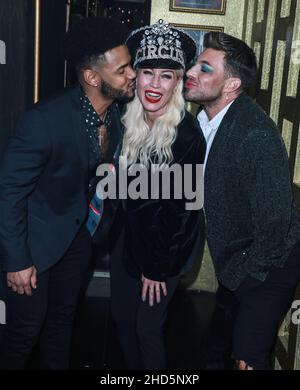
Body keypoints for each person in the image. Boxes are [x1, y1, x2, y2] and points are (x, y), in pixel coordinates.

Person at [0, 16, 136, 369]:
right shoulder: (44, 120)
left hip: (77, 239)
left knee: (63, 322)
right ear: (93, 77)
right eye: (122, 70)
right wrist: (17, 261)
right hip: (33, 243)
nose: (132, 74)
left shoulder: (119, 116)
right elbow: (9, 191)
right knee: (25, 330)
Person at [185, 31, 300, 370]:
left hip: (269, 264)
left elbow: (276, 221)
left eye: (205, 68)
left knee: (247, 360)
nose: (192, 72)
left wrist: (246, 274)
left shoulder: (255, 135)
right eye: (196, 64)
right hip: (238, 260)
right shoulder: (203, 119)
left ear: (232, 84)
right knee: (216, 349)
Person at [108, 19, 206, 370]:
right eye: (148, 73)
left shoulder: (188, 135)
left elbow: (184, 212)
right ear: (136, 76)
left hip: (169, 245)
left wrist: (157, 268)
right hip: (129, 239)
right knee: (121, 318)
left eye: (167, 75)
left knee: (146, 328)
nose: (155, 84)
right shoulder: (123, 117)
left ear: (178, 82)